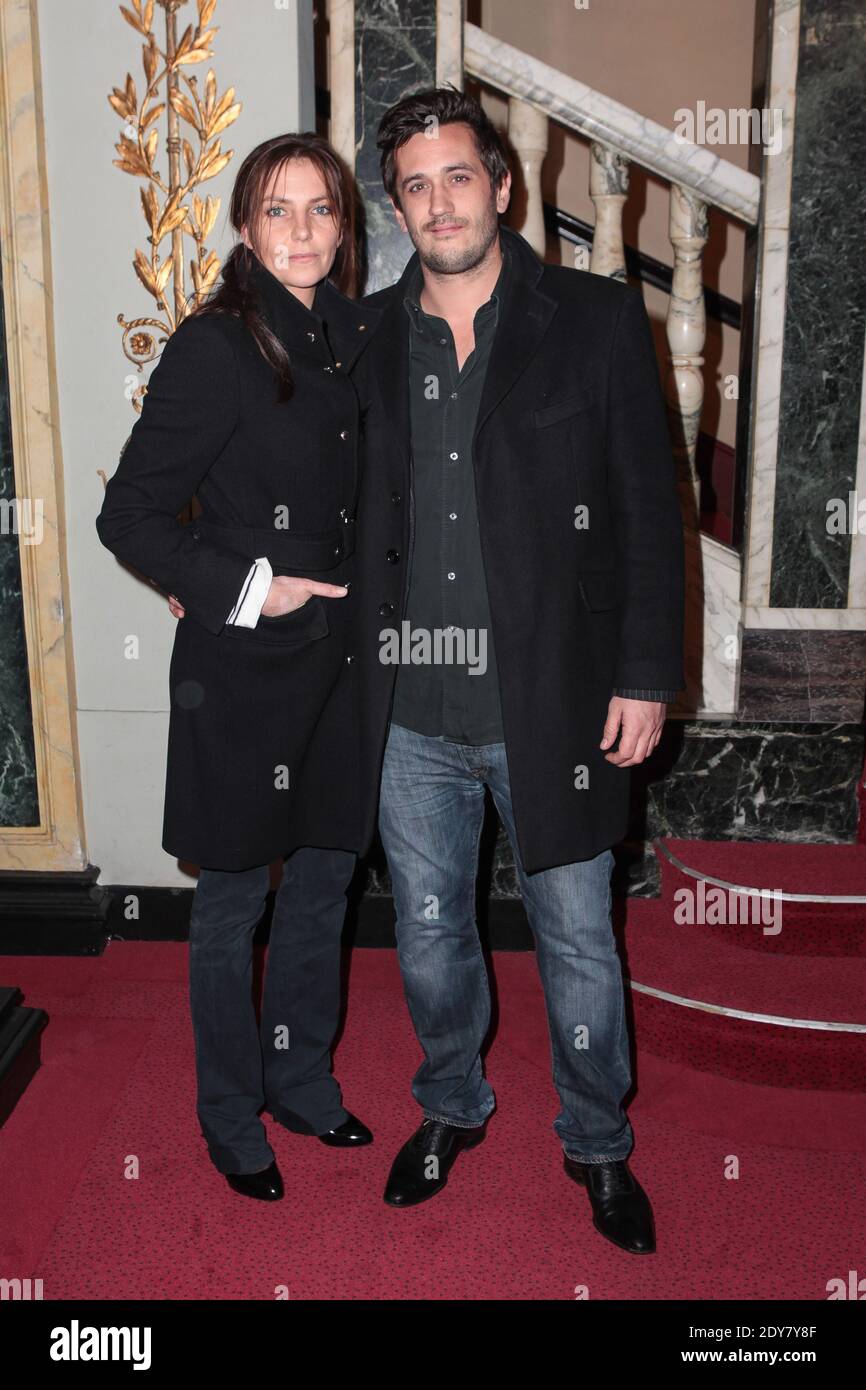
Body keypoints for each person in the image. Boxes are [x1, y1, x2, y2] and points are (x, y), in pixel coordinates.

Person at [352, 88, 685, 1254]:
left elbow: (652, 511)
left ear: (501, 185)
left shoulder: (594, 319)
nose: (437, 202)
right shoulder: (367, 337)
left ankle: (596, 1143)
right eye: (413, 185)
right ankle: (449, 1104)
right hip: (407, 714)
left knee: (579, 941)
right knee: (433, 939)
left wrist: (645, 674)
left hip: (556, 704)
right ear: (395, 208)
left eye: (457, 176)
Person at [96, 133, 382, 1201]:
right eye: (277, 210)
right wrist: (248, 583)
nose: (301, 231)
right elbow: (128, 514)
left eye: (320, 210)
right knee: (230, 908)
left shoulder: (354, 332)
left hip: (343, 670)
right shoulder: (217, 346)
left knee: (319, 884)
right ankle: (229, 1112)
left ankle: (300, 1077)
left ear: (343, 226)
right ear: (244, 226)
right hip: (244, 671)